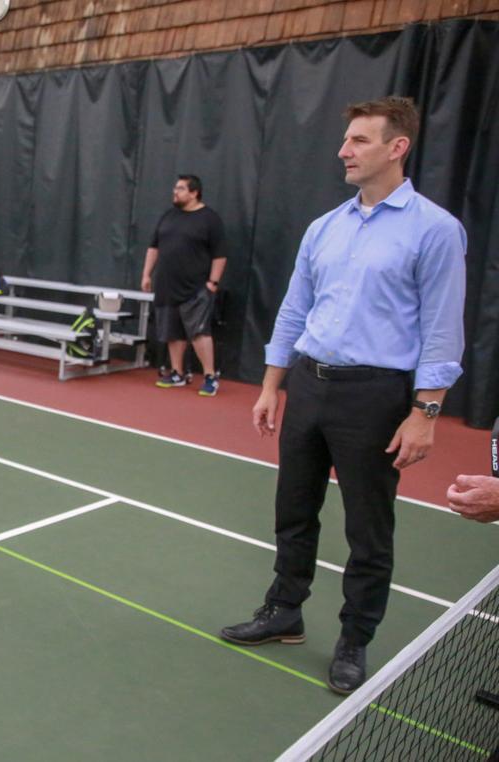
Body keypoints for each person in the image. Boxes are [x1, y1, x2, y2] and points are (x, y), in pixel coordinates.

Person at [220, 97, 466, 696]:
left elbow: (441, 328)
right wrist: (273, 384)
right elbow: (295, 309)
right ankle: (284, 610)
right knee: (294, 509)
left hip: (376, 398)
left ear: (396, 147)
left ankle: (355, 638)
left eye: (358, 140)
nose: (344, 151)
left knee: (368, 528)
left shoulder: (435, 230)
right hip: (309, 384)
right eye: (346, 140)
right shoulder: (322, 228)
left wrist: (424, 413)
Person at [140, 174, 226, 396]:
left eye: (180, 189)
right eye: (175, 188)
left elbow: (220, 255)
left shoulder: (209, 219)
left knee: (199, 333)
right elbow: (153, 247)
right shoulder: (168, 216)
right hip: (166, 286)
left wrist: (212, 283)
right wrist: (146, 274)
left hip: (196, 288)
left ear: (194, 192)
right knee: (172, 333)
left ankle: (210, 377)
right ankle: (177, 373)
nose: (175, 192)